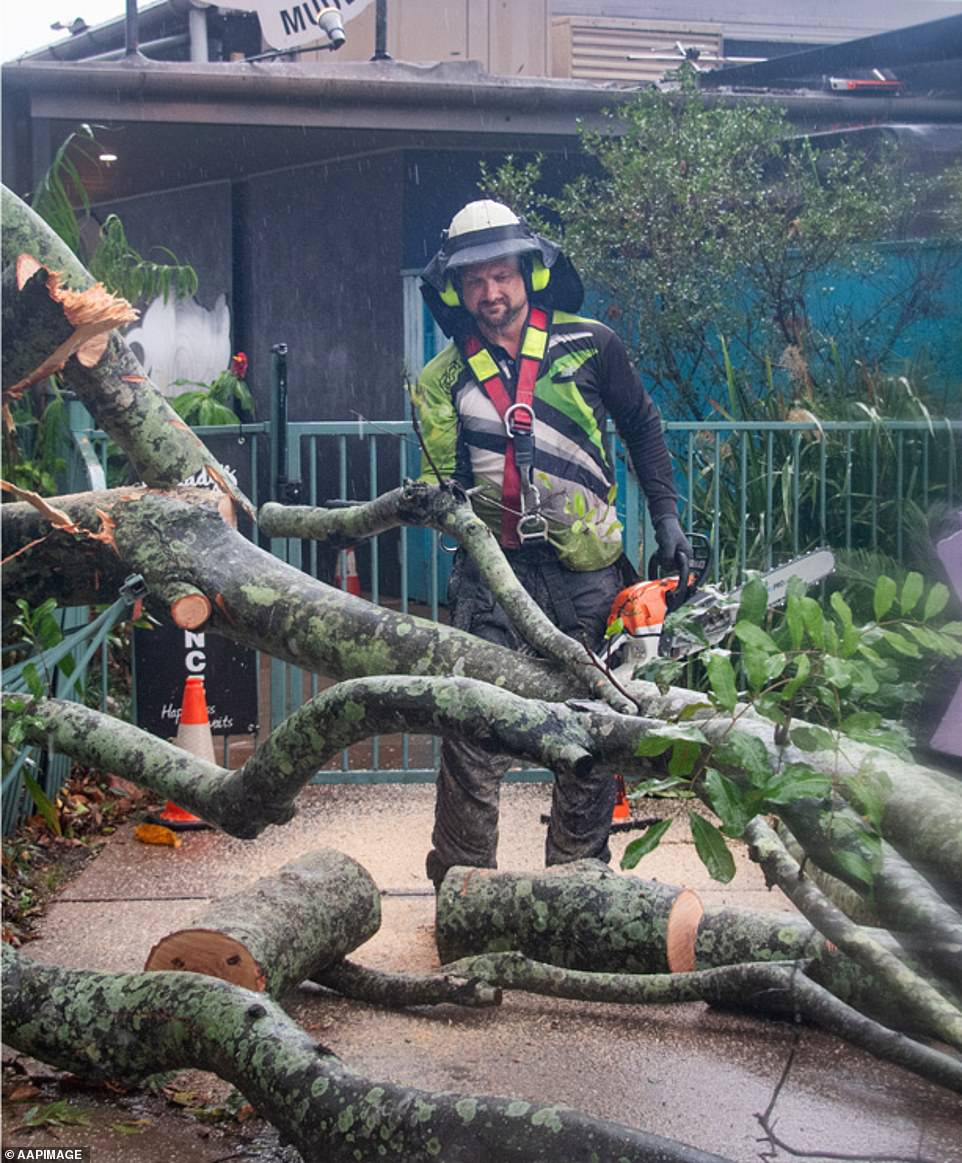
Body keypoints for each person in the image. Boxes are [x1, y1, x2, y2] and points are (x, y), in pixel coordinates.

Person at [417, 199, 690, 890]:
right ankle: (463, 892)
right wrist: (439, 502)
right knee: (470, 730)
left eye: (502, 274)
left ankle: (577, 891)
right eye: (475, 279)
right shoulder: (439, 380)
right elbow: (438, 486)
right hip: (490, 578)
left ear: (530, 274)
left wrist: (669, 523)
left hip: (588, 574)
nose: (491, 292)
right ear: (455, 287)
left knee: (592, 730)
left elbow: (643, 428)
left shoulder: (593, 343)